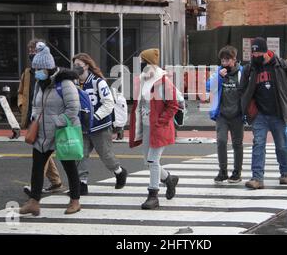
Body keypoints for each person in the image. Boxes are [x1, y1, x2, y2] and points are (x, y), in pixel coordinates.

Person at [19, 42, 81, 216]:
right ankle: (34, 201)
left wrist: (57, 123)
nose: (36, 73)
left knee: (69, 167)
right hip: (42, 133)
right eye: (35, 70)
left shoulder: (65, 84)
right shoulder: (40, 83)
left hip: (62, 132)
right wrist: (35, 120)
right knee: (37, 167)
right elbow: (36, 105)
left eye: (39, 70)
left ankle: (75, 201)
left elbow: (73, 109)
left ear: (48, 68)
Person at [239, 38, 287, 189]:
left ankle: (285, 172)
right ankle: (257, 178)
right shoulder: (250, 68)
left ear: (266, 51)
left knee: (281, 145)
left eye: (258, 53)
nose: (255, 56)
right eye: (253, 53)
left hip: (278, 112)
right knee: (258, 144)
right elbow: (242, 89)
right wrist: (246, 107)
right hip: (259, 113)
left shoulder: (281, 65)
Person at [129, 49, 179, 210]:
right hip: (145, 126)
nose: (140, 64)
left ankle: (153, 195)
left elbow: (173, 105)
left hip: (158, 127)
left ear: (149, 62)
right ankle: (169, 179)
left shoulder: (163, 81)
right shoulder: (143, 79)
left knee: (153, 160)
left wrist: (160, 122)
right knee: (148, 162)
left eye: (143, 61)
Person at [72, 53, 128, 195]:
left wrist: (95, 117)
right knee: (80, 155)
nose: (76, 68)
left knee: (105, 154)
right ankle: (82, 183)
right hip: (82, 126)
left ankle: (119, 172)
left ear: (87, 66)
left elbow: (108, 103)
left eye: (79, 65)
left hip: (100, 125)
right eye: (74, 65)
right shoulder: (74, 83)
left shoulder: (98, 82)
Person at [18, 39, 65, 196]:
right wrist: (22, 106)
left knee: (43, 150)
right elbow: (21, 92)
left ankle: (35, 186)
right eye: (30, 50)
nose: (31, 53)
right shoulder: (28, 72)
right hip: (34, 115)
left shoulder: (54, 77)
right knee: (42, 149)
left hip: (49, 119)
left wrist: (58, 120)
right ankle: (55, 181)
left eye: (34, 50)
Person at [206, 46, 244, 184]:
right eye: (222, 60)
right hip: (222, 114)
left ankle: (237, 172)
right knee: (221, 141)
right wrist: (219, 77)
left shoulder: (242, 72)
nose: (224, 63)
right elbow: (208, 86)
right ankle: (223, 171)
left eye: (227, 60)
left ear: (234, 60)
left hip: (237, 115)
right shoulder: (218, 72)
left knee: (237, 144)